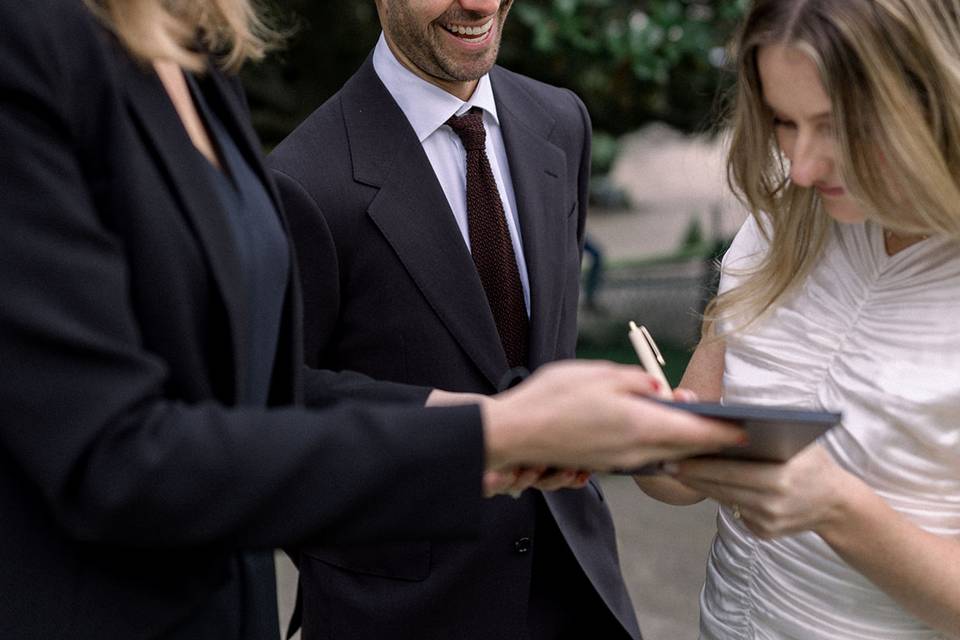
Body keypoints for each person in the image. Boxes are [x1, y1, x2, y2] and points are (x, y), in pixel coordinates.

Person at [0, 1, 747, 639]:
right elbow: (121, 451)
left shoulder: (197, 50)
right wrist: (490, 435)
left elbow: (252, 393)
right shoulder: (36, 46)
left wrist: (480, 422)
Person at [268, 1, 642, 638]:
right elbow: (276, 413)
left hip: (579, 592)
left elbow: (549, 345)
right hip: (404, 613)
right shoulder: (300, 179)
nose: (478, 2)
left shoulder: (561, 122)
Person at [635, 0, 960, 638]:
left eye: (841, 126)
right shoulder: (780, 226)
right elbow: (681, 473)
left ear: (934, 97)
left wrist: (839, 510)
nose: (804, 167)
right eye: (785, 122)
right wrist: (647, 440)